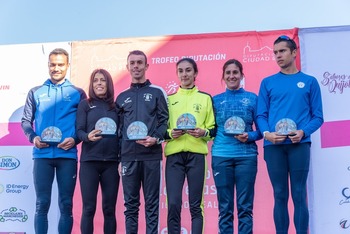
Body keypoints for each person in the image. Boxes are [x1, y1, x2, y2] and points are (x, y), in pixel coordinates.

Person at [256, 35, 324, 234]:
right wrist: (267, 134)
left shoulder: (309, 82)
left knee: (299, 193)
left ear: (294, 53)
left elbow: (318, 117)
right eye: (275, 52)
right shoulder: (267, 82)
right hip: (273, 146)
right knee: (279, 194)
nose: (278, 55)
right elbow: (261, 114)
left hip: (299, 145)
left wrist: (303, 132)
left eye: (282, 51)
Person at [21, 48, 87, 234]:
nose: (56, 68)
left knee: (66, 204)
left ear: (67, 65)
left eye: (60, 64)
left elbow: (83, 125)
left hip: (67, 156)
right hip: (42, 156)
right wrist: (33, 137)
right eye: (52, 64)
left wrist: (74, 140)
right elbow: (26, 121)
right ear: (48, 65)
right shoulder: (35, 92)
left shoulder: (78, 93)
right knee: (42, 203)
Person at [115, 50, 168, 234]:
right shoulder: (121, 97)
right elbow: (119, 130)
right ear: (127, 67)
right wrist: (119, 159)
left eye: (140, 62)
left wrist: (156, 139)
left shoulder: (157, 92)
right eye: (133, 63)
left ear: (146, 66)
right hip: (129, 158)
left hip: (151, 157)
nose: (136, 66)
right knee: (130, 206)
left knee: (152, 206)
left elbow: (164, 122)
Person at [164, 58, 216, 234]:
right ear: (177, 73)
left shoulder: (205, 98)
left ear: (195, 73)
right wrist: (171, 133)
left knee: (196, 205)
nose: (184, 74)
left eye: (188, 70)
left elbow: (213, 129)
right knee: (173, 203)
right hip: (174, 156)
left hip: (196, 155)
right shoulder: (169, 99)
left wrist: (204, 133)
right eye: (180, 71)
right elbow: (162, 130)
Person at [211, 59, 262, 234]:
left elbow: (261, 131)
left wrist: (250, 136)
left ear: (241, 75)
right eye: (228, 73)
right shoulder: (215, 100)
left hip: (246, 158)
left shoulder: (253, 98)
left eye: (235, 72)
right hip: (221, 156)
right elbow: (211, 129)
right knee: (225, 208)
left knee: (245, 207)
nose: (232, 76)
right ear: (223, 76)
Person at [76, 69, 120, 234]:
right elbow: (79, 132)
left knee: (109, 210)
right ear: (91, 84)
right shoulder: (85, 105)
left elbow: (121, 134)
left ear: (108, 84)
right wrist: (87, 136)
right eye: (96, 80)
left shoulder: (116, 107)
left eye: (103, 80)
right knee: (89, 209)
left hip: (111, 164)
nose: (99, 83)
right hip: (89, 163)